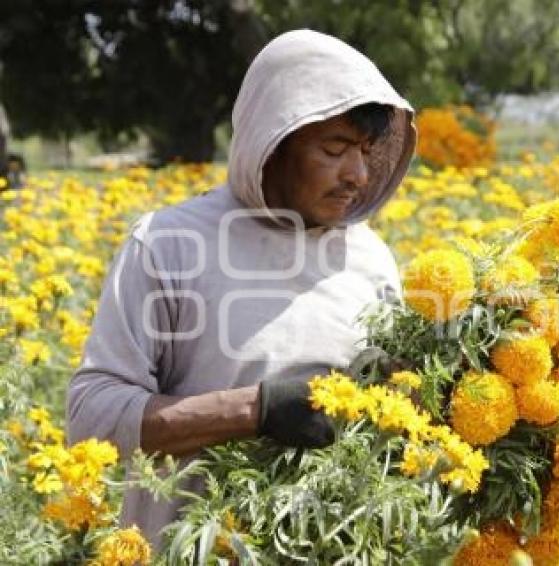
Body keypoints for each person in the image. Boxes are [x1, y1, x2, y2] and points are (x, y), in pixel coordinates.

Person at [65, 29, 416, 548]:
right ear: (270, 141)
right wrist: (257, 410)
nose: (358, 174)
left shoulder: (372, 260)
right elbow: (92, 418)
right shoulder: (169, 243)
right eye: (335, 148)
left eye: (365, 150)